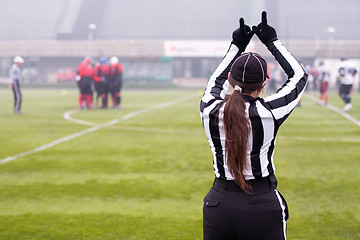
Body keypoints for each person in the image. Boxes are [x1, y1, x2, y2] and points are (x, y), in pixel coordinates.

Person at [200, 12, 307, 240]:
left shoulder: (209, 109)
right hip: (261, 204)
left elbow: (215, 82)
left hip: (219, 204)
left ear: (231, 79)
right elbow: (299, 76)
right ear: (263, 84)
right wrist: (272, 42)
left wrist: (236, 46)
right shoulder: (268, 112)